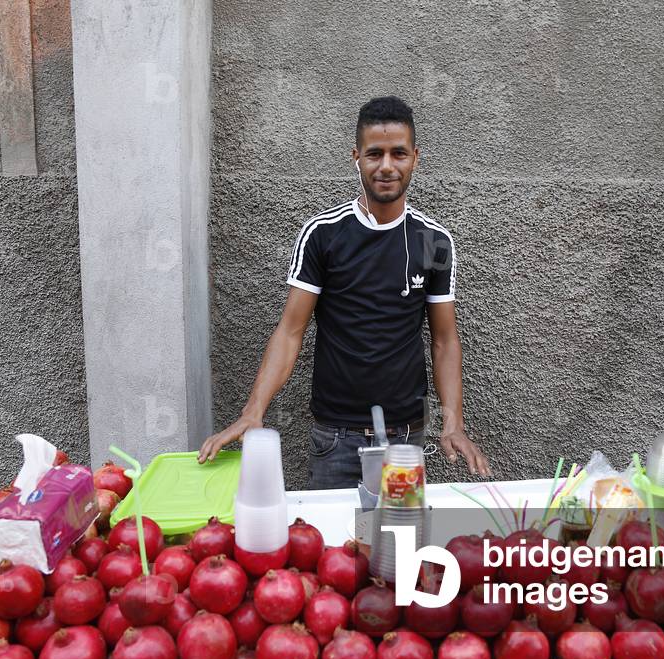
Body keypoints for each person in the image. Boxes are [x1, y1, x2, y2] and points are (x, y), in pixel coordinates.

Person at [199, 95, 490, 487]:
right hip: (334, 436)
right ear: (356, 157)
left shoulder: (433, 241)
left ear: (415, 158)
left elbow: (444, 340)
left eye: (398, 154)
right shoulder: (323, 234)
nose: (387, 166)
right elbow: (290, 332)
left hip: (406, 438)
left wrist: (453, 421)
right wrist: (254, 411)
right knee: (333, 545)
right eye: (375, 154)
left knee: (397, 542)